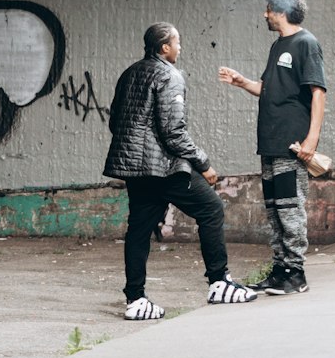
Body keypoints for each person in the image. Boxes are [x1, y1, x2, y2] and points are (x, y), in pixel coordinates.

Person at [105, 23, 257, 320]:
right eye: (177, 43)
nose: (180, 48)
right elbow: (173, 132)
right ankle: (219, 283)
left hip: (135, 169)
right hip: (163, 168)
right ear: (164, 48)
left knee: (138, 229)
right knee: (211, 209)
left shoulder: (130, 73)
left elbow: (116, 122)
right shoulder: (169, 76)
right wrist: (204, 163)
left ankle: (135, 300)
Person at [218, 0, 326, 295]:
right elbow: (266, 87)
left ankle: (296, 273)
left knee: (291, 208)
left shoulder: (306, 43)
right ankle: (280, 271)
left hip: (292, 144)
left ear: (281, 10)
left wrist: (311, 140)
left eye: (268, 9)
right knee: (275, 210)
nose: (265, 14)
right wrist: (241, 82)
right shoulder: (278, 46)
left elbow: (318, 93)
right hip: (270, 142)